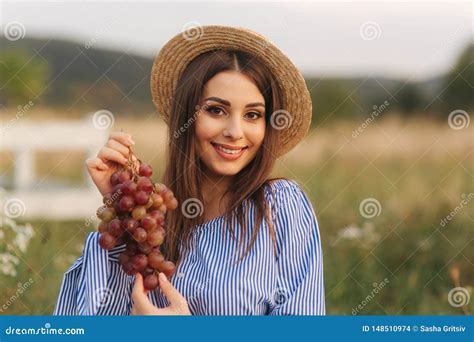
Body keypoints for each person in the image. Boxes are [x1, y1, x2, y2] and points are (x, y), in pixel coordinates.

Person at [54, 25, 325, 315]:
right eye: (216, 110)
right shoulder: (156, 217)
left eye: (252, 115)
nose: (235, 132)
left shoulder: (279, 206)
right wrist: (124, 208)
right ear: (187, 116)